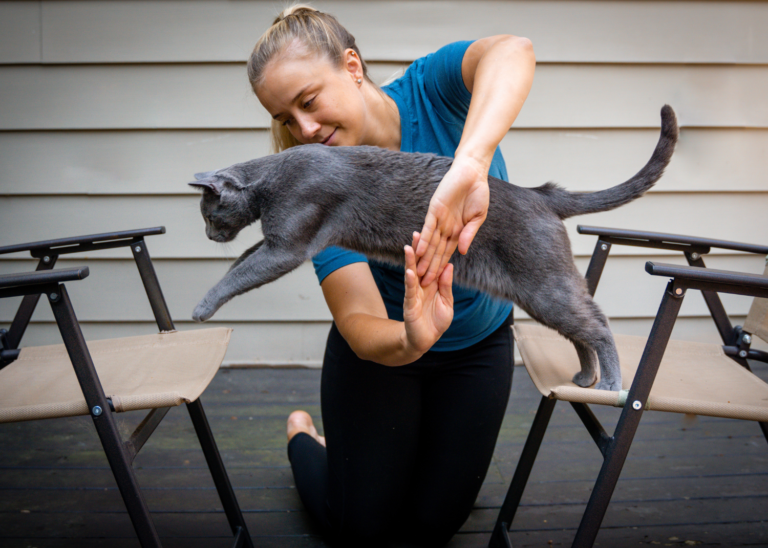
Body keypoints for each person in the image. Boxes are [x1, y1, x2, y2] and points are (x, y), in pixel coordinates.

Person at [247, 5, 535, 546]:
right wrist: (410, 337)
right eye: (287, 118)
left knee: (430, 529)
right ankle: (304, 438)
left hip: (477, 350)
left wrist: (469, 163)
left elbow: (513, 50)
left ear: (351, 66)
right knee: (359, 530)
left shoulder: (433, 90)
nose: (304, 130)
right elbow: (358, 321)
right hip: (383, 359)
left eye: (308, 101)